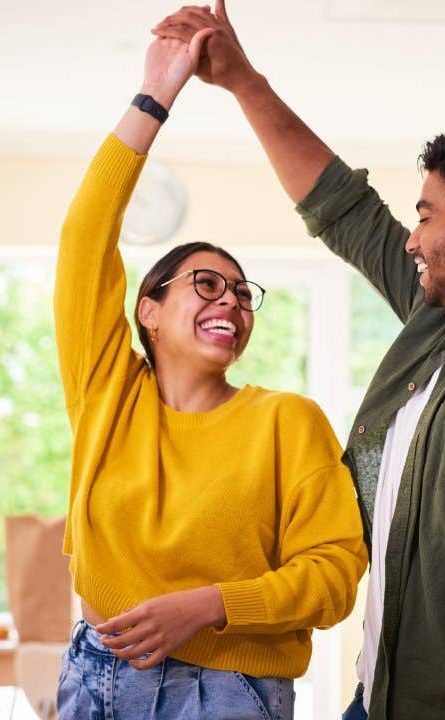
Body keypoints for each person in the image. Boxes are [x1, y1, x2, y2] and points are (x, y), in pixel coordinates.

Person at [154, 4, 445, 720]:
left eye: (427, 216)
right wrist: (243, 82)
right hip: (381, 697)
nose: (411, 238)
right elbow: (346, 212)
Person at [54, 29, 368, 720]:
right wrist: (156, 93)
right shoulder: (107, 393)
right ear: (151, 311)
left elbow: (335, 575)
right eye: (205, 283)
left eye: (242, 292)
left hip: (225, 693)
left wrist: (209, 607)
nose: (231, 298)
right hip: (95, 675)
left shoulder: (286, 420)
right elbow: (84, 239)